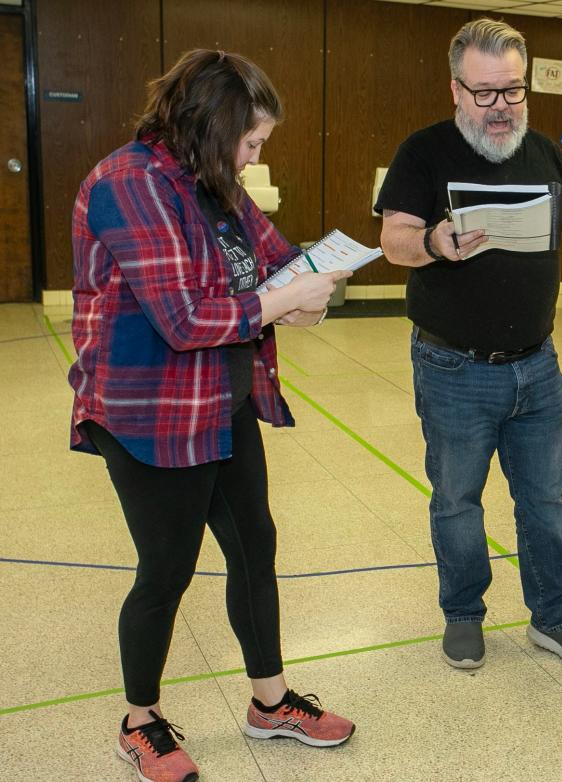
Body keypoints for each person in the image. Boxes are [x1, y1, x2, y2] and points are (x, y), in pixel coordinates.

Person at [68, 49, 355, 782]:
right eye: (252, 141)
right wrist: (287, 299)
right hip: (148, 414)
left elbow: (277, 260)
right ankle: (140, 721)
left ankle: (270, 702)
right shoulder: (127, 185)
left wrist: (314, 282)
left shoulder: (216, 186)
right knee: (167, 569)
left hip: (223, 404)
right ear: (213, 125)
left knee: (255, 546)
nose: (257, 156)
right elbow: (184, 318)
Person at [375, 18, 562, 673]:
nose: (501, 108)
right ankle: (464, 615)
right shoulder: (425, 153)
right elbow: (393, 240)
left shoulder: (544, 152)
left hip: (539, 367)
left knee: (546, 503)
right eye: (485, 94)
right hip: (454, 369)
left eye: (513, 92)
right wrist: (436, 244)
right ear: (456, 89)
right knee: (459, 501)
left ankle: (556, 617)